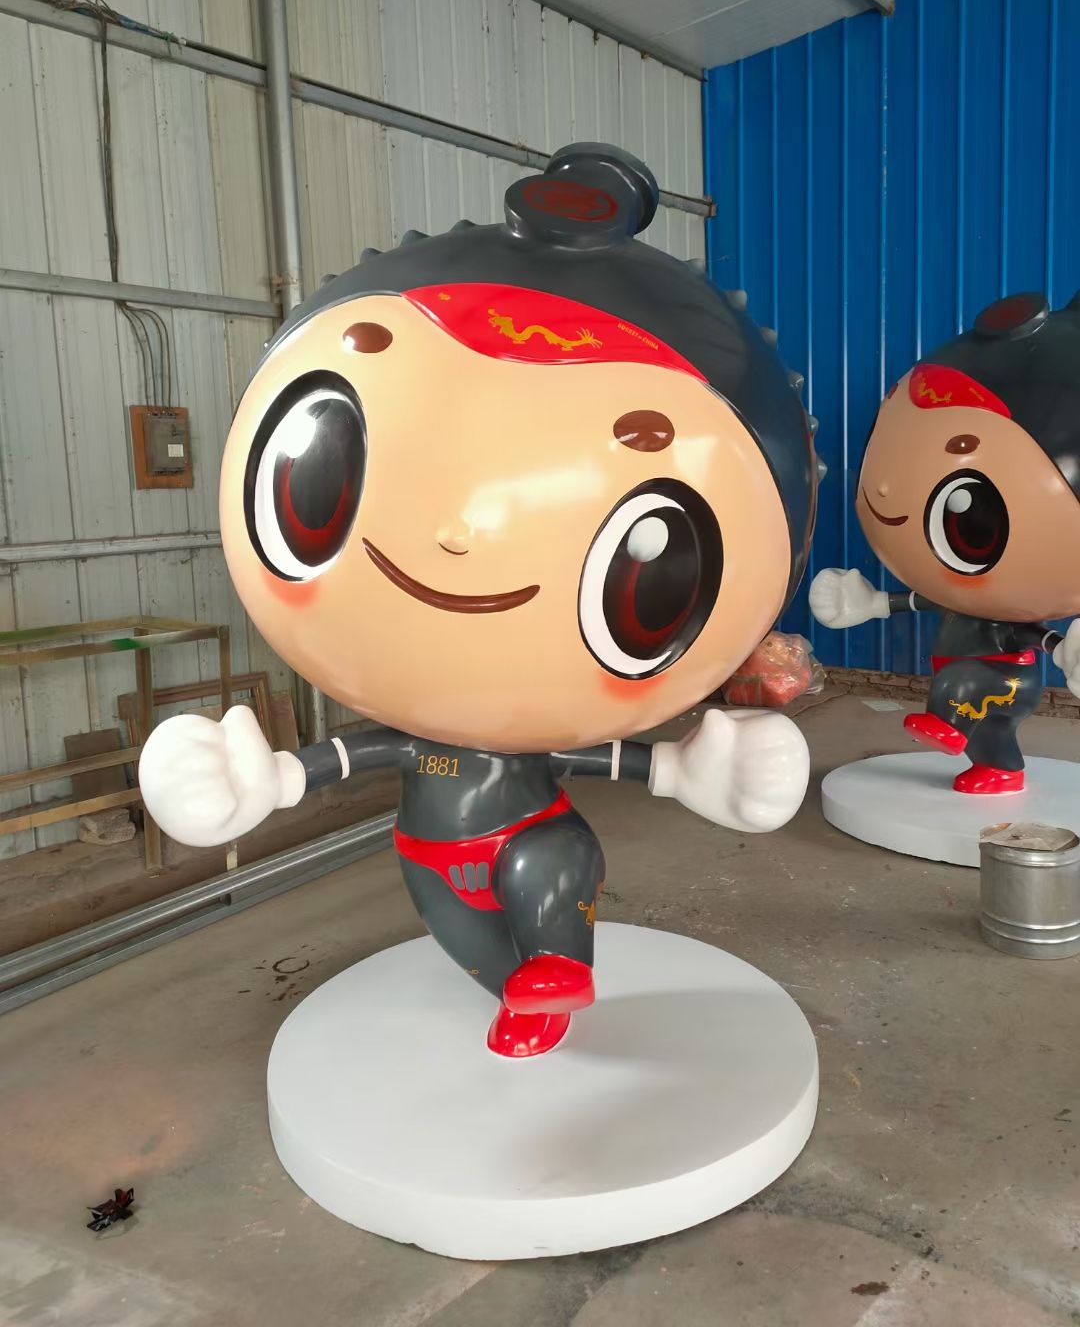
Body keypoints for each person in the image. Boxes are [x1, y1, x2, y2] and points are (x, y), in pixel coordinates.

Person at [140, 143, 819, 1056]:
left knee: (556, 862)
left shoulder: (536, 743)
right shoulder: (414, 731)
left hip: (537, 828)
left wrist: (683, 773)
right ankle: (524, 990)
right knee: (474, 951)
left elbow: (603, 764)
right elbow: (345, 758)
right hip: (428, 857)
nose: (459, 538)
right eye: (319, 491)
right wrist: (268, 781)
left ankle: (558, 960)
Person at [810, 291, 1080, 795]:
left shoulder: (1008, 616)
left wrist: (1063, 648)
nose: (884, 490)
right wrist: (871, 604)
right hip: (971, 673)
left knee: (959, 689)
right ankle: (1000, 769)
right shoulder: (958, 600)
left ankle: (943, 723)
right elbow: (919, 600)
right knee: (990, 738)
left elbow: (1034, 636)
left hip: (1001, 678)